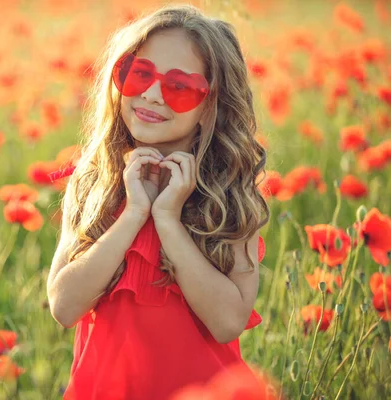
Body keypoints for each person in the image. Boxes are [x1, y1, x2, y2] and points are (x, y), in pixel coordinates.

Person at [46, 4, 270, 399]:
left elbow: (227, 322)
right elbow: (64, 306)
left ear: (210, 105)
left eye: (179, 86)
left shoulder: (228, 195)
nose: (151, 94)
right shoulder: (95, 181)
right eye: (140, 74)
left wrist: (167, 219)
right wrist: (134, 214)